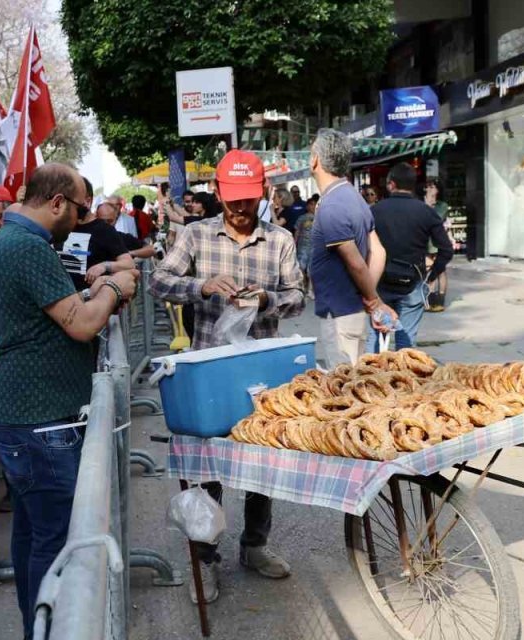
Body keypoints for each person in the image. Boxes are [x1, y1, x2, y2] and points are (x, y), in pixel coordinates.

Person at [0, 163, 138, 638]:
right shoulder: (26, 248)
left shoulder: (15, 242)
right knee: (59, 548)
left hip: (30, 418)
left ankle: (37, 629)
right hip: (39, 424)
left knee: (36, 538)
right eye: (80, 208)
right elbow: (82, 324)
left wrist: (94, 292)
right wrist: (113, 287)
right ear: (57, 203)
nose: (83, 217)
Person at [149, 149, 304, 602]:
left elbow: (298, 294)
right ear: (218, 193)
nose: (240, 208)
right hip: (209, 375)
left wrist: (268, 300)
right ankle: (206, 559)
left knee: (263, 468)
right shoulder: (195, 236)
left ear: (264, 195)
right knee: (207, 472)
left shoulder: (279, 240)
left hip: (264, 374)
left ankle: (254, 547)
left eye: (249, 199)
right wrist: (200, 287)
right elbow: (158, 281)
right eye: (232, 198)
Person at [307, 129, 395, 367]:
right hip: (352, 310)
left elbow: (355, 262)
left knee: (343, 387)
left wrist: (373, 299)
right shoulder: (355, 198)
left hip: (340, 313)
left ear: (315, 159)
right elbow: (378, 252)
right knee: (355, 379)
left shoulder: (331, 206)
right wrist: (368, 296)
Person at [365, 163, 454, 353]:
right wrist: (431, 277)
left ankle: (368, 379)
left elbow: (363, 247)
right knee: (406, 346)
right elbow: (447, 250)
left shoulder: (374, 211)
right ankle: (403, 380)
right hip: (412, 284)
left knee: (375, 339)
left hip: (381, 286)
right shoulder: (427, 212)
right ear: (414, 186)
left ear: (391, 185)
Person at [56, 198, 137, 292]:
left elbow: (129, 263)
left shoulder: (106, 230)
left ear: (87, 201)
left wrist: (104, 266)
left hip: (91, 300)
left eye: (110, 220)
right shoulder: (56, 226)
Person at [423, 180, 451, 312]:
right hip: (425, 242)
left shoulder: (442, 206)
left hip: (438, 242)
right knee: (429, 269)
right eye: (428, 186)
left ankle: (440, 300)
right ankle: (430, 298)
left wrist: (429, 204)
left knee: (440, 270)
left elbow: (437, 219)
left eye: (432, 186)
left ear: (438, 190)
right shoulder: (422, 204)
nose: (429, 188)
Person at [293, 197, 318, 296]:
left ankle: (311, 290)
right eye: (310, 204)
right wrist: (295, 243)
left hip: (315, 246)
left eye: (314, 204)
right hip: (302, 246)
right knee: (301, 268)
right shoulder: (302, 218)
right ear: (307, 206)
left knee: (311, 269)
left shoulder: (320, 217)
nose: (312, 206)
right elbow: (297, 231)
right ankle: (304, 287)